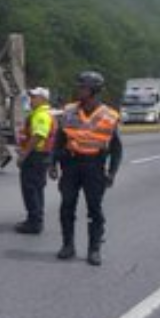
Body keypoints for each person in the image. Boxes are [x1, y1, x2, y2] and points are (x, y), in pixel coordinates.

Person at [49, 71, 122, 266]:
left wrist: (112, 172)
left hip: (94, 166)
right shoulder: (69, 110)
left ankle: (94, 248)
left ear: (94, 90)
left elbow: (116, 149)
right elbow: (59, 140)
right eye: (79, 86)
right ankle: (68, 245)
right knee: (67, 205)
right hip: (71, 164)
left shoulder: (109, 115)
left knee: (94, 209)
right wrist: (52, 163)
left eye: (83, 87)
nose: (78, 90)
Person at [15, 87, 57, 234]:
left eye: (34, 97)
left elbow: (39, 135)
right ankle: (34, 219)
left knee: (31, 189)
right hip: (39, 156)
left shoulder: (41, 115)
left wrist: (24, 154)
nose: (31, 100)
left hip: (35, 156)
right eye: (31, 97)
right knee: (35, 189)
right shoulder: (40, 113)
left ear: (43, 99)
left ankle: (34, 222)